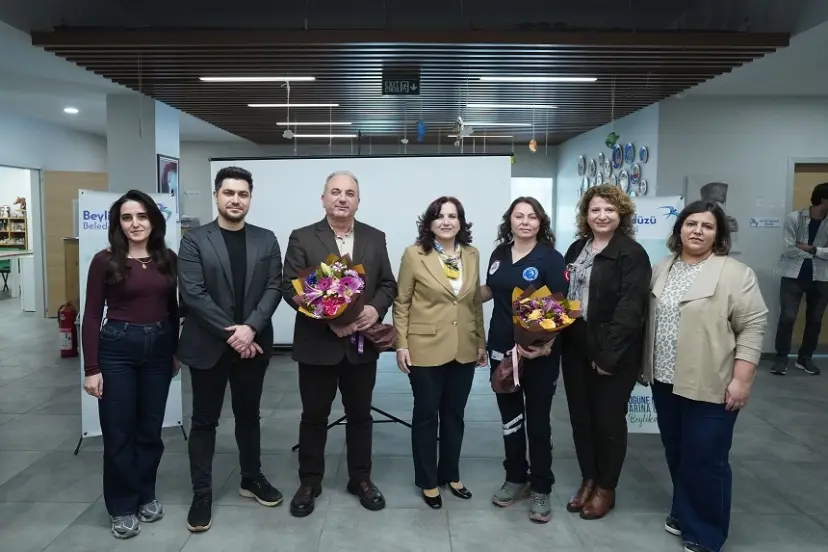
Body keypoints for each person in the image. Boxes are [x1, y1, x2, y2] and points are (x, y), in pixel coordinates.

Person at [642, 200, 767, 552]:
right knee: (678, 452)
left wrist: (742, 380)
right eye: (691, 223)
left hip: (712, 383)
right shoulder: (662, 267)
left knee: (706, 458)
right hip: (665, 380)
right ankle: (685, 511)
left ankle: (707, 533)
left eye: (707, 226)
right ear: (679, 228)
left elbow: (752, 327)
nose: (698, 231)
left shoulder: (736, 274)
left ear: (718, 234)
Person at [282, 170, 397, 517]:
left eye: (349, 193)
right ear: (323, 199)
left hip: (361, 346)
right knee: (314, 416)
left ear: (358, 201)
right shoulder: (303, 237)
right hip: (318, 345)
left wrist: (375, 310)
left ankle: (360, 478)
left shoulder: (375, 237)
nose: (342, 198)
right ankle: (309, 481)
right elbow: (290, 287)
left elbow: (387, 284)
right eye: (335, 192)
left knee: (360, 415)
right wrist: (330, 319)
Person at [177, 166, 284, 533]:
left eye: (242, 194)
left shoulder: (266, 239)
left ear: (250, 198)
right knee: (204, 421)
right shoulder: (194, 241)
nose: (235, 200)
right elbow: (193, 294)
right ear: (216, 196)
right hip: (208, 345)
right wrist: (235, 334)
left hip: (253, 346)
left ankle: (251, 477)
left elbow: (274, 288)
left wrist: (250, 328)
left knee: (249, 415)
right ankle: (202, 493)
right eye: (229, 193)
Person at [81, 190, 179, 539]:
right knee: (119, 433)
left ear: (153, 220)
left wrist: (175, 351)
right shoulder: (105, 260)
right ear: (118, 224)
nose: (135, 224)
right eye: (127, 218)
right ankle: (122, 506)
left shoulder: (167, 258)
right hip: (117, 350)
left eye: (142, 216)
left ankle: (145, 494)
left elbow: (173, 309)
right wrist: (92, 368)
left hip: (159, 351)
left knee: (150, 431)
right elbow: (92, 315)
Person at [561, 184, 650, 520]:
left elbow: (631, 309)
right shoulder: (576, 248)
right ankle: (588, 478)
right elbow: (567, 294)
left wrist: (607, 356)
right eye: (595, 209)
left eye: (609, 210)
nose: (602, 216)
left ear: (621, 214)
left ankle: (606, 487)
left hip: (614, 349)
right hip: (575, 344)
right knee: (581, 419)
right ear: (586, 215)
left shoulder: (631, 253)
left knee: (608, 421)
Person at [392, 196, 487, 509]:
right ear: (429, 223)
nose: (446, 221)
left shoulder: (471, 254)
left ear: (461, 221)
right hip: (424, 347)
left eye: (453, 216)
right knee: (426, 415)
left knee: (454, 415)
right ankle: (428, 480)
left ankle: (451, 474)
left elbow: (473, 303)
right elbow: (402, 303)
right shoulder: (414, 254)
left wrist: (481, 342)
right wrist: (401, 344)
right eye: (439, 216)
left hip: (464, 347)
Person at [479, 196, 567, 523]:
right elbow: (492, 290)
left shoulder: (551, 258)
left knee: (538, 422)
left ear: (540, 222)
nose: (525, 222)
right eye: (519, 216)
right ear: (510, 221)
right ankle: (515, 478)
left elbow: (560, 307)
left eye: (532, 216)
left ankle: (541, 486)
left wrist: (546, 346)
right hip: (502, 350)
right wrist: (458, 292)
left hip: (539, 354)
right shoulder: (499, 254)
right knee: (511, 420)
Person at [770, 182, 828, 376]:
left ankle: (805, 358)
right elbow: (788, 248)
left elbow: (799, 248)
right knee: (788, 317)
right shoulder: (795, 218)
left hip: (822, 277)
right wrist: (821, 253)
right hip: (792, 275)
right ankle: (781, 358)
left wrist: (811, 249)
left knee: (815, 320)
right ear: (823, 199)